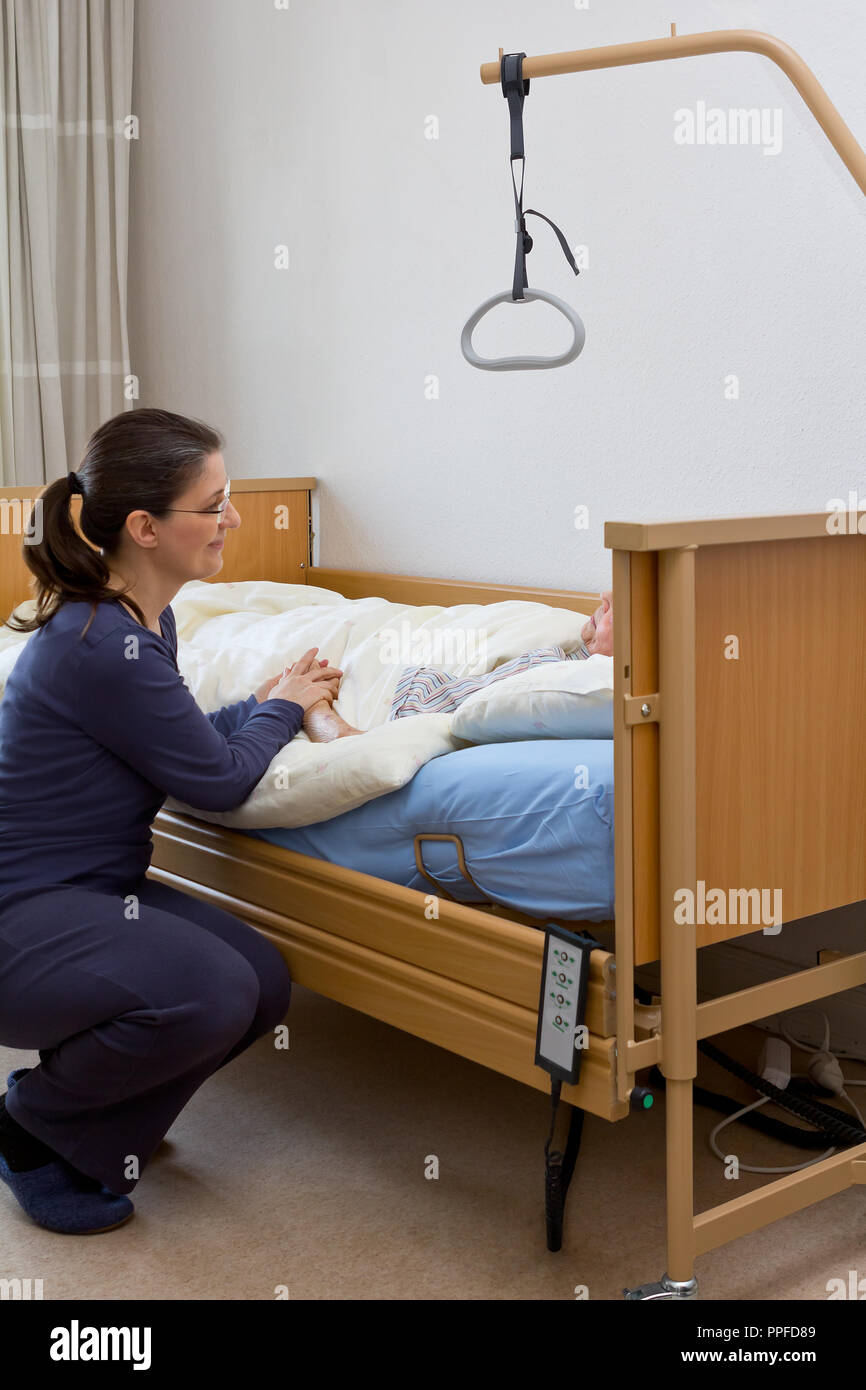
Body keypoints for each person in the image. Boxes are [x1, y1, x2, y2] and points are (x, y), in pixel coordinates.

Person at [0, 407, 343, 1234]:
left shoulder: (143, 621)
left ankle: (98, 1128)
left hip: (83, 891)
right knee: (211, 991)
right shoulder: (93, 639)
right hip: (19, 917)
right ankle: (31, 1126)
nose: (233, 519)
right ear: (146, 527)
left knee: (261, 980)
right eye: (214, 503)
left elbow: (180, 744)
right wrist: (285, 710)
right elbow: (218, 782)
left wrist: (264, 704)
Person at [301, 590, 614, 742]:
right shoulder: (566, 656)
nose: (606, 595)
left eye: (626, 602)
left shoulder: (556, 679)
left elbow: (363, 746)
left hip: (384, 697)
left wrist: (312, 705)